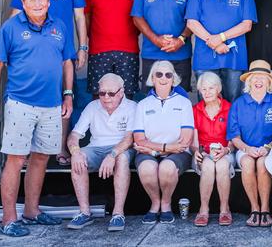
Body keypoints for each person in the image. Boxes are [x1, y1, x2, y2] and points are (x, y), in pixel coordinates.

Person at [0, 0, 75, 237]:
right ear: (23, 4)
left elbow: (67, 61)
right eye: (31, 0)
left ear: (48, 3)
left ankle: (32, 211)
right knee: (15, 160)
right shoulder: (10, 27)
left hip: (52, 105)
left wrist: (68, 95)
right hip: (20, 103)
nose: (37, 4)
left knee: (41, 158)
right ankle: (8, 218)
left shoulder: (59, 26)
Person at [10, 0, 87, 165]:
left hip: (63, 54)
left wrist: (82, 47)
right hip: (30, 55)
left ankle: (61, 146)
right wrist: (12, 48)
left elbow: (80, 17)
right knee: (28, 100)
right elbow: (15, 16)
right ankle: (23, 150)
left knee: (65, 99)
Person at [66, 73, 136, 232]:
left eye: (111, 93)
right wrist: (75, 152)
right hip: (96, 147)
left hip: (120, 148)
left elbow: (129, 139)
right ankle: (84, 212)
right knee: (78, 157)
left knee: (122, 159)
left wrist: (112, 155)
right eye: (102, 93)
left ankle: (118, 213)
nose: (106, 97)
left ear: (121, 92)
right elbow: (74, 135)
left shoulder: (132, 106)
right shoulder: (93, 106)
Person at [186, 0, 257, 102]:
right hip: (205, 59)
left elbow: (247, 25)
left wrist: (221, 37)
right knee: (207, 103)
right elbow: (191, 22)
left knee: (233, 102)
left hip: (235, 59)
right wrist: (214, 44)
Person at [132, 60, 194, 225]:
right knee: (147, 168)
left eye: (168, 74)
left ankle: (166, 204)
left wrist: (153, 148)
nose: (164, 78)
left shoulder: (184, 103)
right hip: (154, 152)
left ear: (174, 79)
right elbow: (139, 139)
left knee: (166, 168)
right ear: (152, 78)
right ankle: (155, 203)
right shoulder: (143, 105)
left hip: (177, 154)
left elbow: (185, 139)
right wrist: (164, 148)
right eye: (159, 74)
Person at [131, 0, 193, 91]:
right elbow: (137, 17)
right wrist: (155, 39)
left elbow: (193, 20)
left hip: (180, 55)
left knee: (180, 100)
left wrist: (181, 40)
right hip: (152, 54)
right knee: (151, 101)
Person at [226, 60, 272, 227]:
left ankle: (265, 209)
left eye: (263, 77)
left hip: (270, 147)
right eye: (255, 77)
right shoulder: (239, 104)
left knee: (263, 164)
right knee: (248, 164)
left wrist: (268, 147)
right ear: (249, 81)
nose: (258, 81)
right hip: (245, 147)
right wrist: (247, 148)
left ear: (269, 81)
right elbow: (234, 136)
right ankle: (254, 208)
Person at [83, 0, 141, 97]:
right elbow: (86, 16)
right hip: (99, 50)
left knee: (127, 97)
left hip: (128, 49)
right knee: (99, 97)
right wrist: (93, 37)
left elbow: (142, 17)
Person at [191, 71, 234, 227]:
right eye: (204, 89)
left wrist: (226, 150)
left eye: (211, 88)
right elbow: (194, 141)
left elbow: (234, 138)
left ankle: (224, 209)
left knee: (222, 164)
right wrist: (197, 150)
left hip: (225, 151)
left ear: (218, 89)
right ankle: (203, 210)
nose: (207, 92)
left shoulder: (229, 108)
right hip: (203, 152)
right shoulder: (195, 110)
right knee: (208, 165)